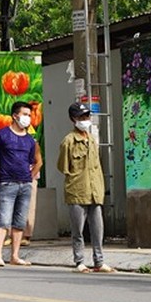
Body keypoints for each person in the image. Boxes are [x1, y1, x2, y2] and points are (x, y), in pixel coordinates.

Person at [58, 102, 112, 273]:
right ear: (73, 119)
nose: (85, 120)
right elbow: (62, 166)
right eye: (81, 117)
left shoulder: (92, 140)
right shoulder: (69, 141)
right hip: (77, 190)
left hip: (95, 190)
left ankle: (99, 261)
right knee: (78, 230)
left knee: (98, 229)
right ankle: (79, 261)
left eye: (87, 116)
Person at [0, 101, 42, 267]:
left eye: (29, 115)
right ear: (15, 115)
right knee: (3, 219)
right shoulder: (2, 135)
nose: (27, 118)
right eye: (24, 114)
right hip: (7, 182)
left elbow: (38, 161)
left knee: (19, 221)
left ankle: (15, 255)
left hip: (25, 184)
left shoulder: (30, 140)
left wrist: (31, 177)